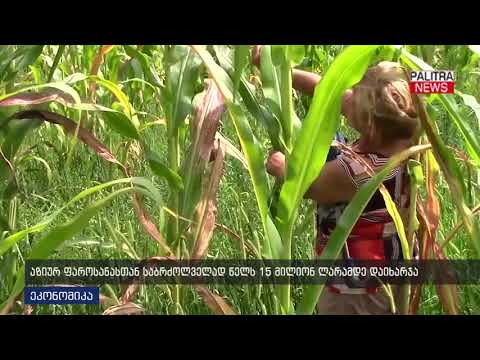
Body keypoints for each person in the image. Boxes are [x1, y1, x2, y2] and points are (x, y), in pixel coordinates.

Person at [252, 46, 420, 315]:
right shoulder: (407, 135)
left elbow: (307, 186)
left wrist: (280, 166)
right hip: (388, 278)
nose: (346, 99)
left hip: (353, 290)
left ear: (368, 125)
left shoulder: (359, 173)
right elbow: (328, 90)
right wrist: (281, 72)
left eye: (351, 100)